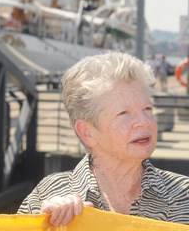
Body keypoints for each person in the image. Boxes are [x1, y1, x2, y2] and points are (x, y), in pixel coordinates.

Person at [17, 51, 189, 226]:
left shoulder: (185, 196)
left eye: (147, 109)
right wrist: (45, 226)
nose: (144, 122)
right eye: (124, 113)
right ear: (87, 132)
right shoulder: (48, 195)